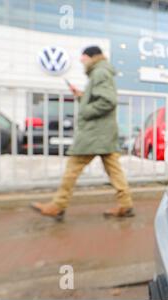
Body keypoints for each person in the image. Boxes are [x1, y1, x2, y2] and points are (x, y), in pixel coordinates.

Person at [31, 46, 133, 221]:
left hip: (95, 133)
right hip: (104, 133)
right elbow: (101, 99)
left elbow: (108, 101)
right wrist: (81, 96)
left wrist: (84, 109)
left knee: (73, 168)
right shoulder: (101, 72)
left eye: (83, 57)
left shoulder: (99, 73)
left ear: (92, 57)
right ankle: (125, 205)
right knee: (115, 172)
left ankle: (58, 205)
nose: (81, 61)